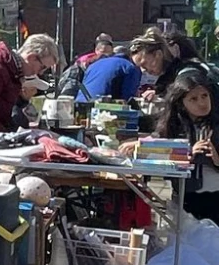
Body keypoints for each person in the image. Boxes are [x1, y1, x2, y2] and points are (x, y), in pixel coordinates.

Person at [157, 67, 219, 223]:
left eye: (205, 96)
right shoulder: (172, 128)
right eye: (193, 99)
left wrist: (217, 160)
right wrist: (187, 154)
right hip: (186, 198)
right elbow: (158, 158)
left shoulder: (216, 125)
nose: (202, 103)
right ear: (181, 103)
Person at [62, 44, 143, 103]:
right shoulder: (130, 67)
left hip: (79, 104)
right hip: (102, 109)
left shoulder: (95, 64)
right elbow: (128, 99)